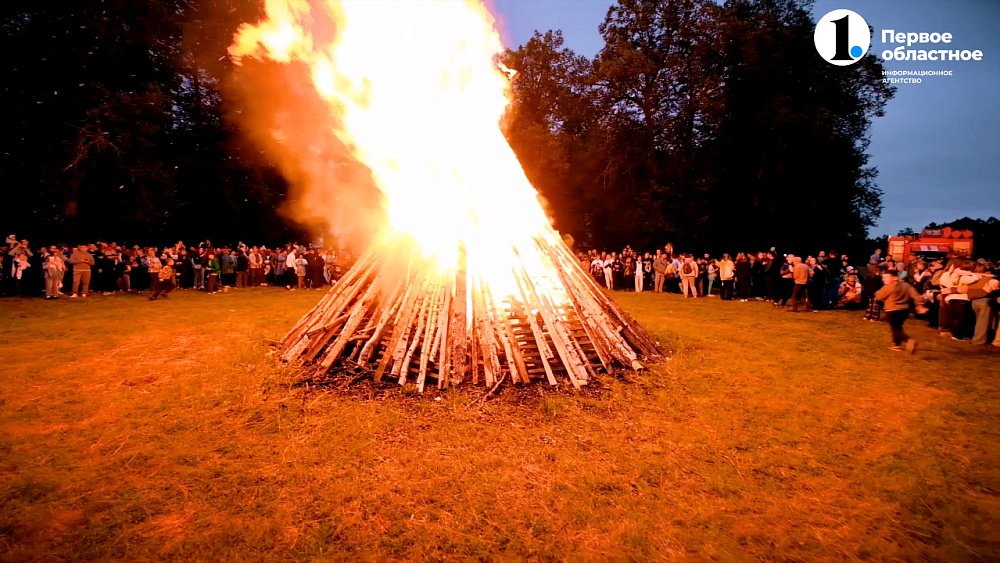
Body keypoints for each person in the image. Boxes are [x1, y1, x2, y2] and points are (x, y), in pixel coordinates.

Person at [874, 270, 927, 352]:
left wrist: (877, 292)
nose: (884, 279)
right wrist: (920, 305)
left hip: (892, 310)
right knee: (898, 327)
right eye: (883, 277)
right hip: (904, 310)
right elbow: (916, 295)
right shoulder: (906, 285)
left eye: (886, 277)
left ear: (895, 278)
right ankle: (896, 345)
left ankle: (909, 341)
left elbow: (879, 296)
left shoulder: (889, 286)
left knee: (896, 328)